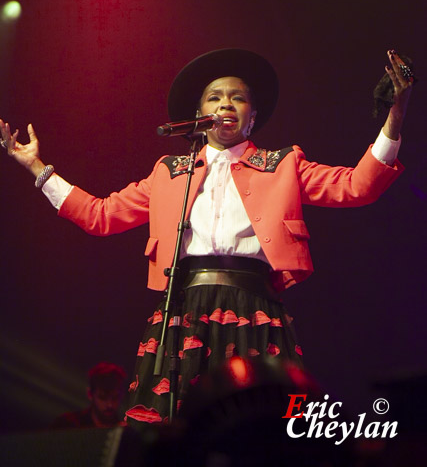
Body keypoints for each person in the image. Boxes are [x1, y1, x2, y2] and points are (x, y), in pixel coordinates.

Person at [0, 48, 413, 428]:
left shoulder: (283, 164)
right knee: (173, 431)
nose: (225, 104)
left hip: (253, 307)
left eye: (237, 98)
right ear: (199, 113)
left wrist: (394, 116)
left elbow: (358, 186)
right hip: (184, 309)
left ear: (252, 116)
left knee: (257, 425)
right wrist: (37, 168)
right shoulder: (169, 170)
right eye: (215, 98)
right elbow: (100, 215)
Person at [51, 361, 126, 429]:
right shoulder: (67, 425)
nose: (110, 404)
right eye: (102, 397)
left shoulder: (124, 430)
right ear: (90, 394)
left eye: (115, 397)